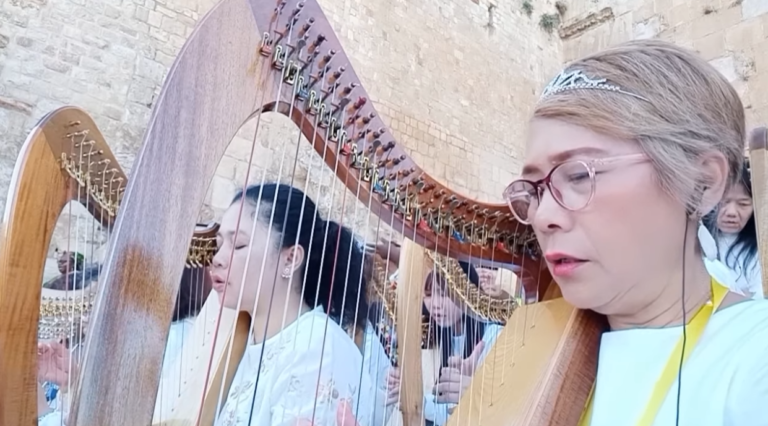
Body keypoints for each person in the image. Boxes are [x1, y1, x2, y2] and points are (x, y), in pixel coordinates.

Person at [503, 39, 768, 425]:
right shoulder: (523, 356)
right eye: (535, 189)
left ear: (701, 184)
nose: (542, 217)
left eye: (578, 175)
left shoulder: (755, 357)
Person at [210, 183, 378, 426]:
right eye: (218, 245)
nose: (217, 259)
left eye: (238, 245)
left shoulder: (318, 349)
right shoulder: (244, 338)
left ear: (290, 258)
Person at [385, 261, 503, 426]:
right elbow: (444, 411)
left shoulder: (494, 336)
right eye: (428, 294)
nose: (435, 304)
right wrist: (409, 391)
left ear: (466, 292)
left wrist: (476, 389)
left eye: (443, 294)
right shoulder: (434, 340)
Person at [709, 159, 763, 299]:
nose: (731, 212)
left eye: (743, 204)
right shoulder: (695, 243)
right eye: (723, 202)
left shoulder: (762, 249)